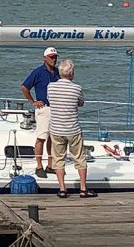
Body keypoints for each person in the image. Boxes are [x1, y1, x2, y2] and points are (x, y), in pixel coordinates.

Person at [47, 59, 95, 198]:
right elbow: (81, 103)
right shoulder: (77, 88)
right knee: (79, 158)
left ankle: (62, 189)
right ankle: (83, 189)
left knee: (58, 159)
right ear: (71, 73)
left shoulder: (50, 87)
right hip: (73, 128)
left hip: (56, 129)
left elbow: (49, 99)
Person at [21, 47, 60, 178]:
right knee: (41, 137)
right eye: (51, 57)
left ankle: (50, 165)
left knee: (52, 138)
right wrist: (33, 101)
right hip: (43, 109)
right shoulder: (38, 72)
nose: (54, 59)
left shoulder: (57, 72)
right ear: (45, 58)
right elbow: (24, 87)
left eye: (55, 57)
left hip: (55, 108)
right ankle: (39, 165)